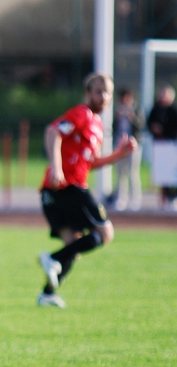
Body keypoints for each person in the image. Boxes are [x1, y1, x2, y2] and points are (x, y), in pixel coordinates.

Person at [37, 73, 137, 308]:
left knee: (75, 244)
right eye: (98, 91)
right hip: (66, 186)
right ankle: (53, 259)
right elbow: (53, 132)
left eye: (107, 92)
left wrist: (118, 155)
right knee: (105, 233)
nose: (103, 96)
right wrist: (57, 167)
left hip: (55, 191)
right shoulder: (82, 114)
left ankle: (48, 293)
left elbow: (90, 162)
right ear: (87, 93)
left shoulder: (98, 125)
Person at [111, 86, 143, 211]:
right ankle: (121, 199)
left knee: (132, 172)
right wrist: (117, 116)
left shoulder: (137, 109)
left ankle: (135, 199)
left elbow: (141, 126)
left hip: (134, 144)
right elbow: (113, 127)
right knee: (120, 173)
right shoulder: (117, 110)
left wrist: (132, 117)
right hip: (120, 144)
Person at [147, 84, 177, 209]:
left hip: (170, 145)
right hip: (158, 145)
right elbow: (149, 123)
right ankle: (163, 198)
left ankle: (173, 197)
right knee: (161, 173)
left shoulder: (173, 111)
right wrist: (154, 129)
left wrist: (163, 130)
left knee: (171, 173)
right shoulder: (155, 109)